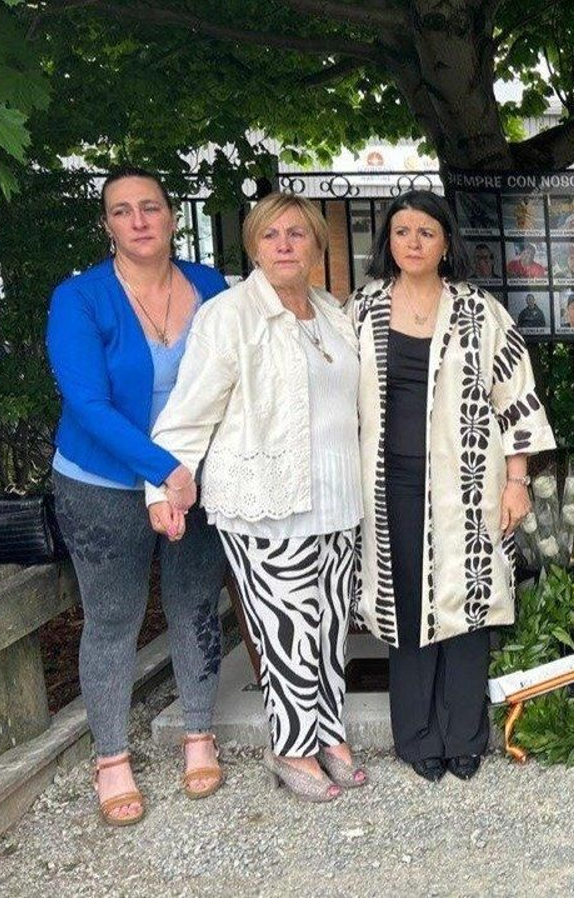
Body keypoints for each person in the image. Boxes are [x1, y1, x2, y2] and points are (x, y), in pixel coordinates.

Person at [147, 192, 365, 803]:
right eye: (271, 235)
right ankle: (291, 746)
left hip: (335, 496)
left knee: (329, 624)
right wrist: (162, 485)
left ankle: (328, 731)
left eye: (297, 233)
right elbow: (189, 410)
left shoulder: (331, 312)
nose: (284, 245)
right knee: (285, 628)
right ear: (253, 247)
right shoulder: (230, 314)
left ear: (317, 244)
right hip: (265, 498)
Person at [46, 166, 231, 827]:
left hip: (195, 479)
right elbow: (88, 404)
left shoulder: (211, 288)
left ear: (173, 216)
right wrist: (164, 471)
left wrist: (188, 475)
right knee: (114, 616)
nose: (139, 221)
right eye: (122, 211)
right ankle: (112, 758)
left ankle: (199, 732)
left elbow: (233, 381)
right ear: (107, 225)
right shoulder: (80, 298)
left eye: (150, 207)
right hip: (102, 483)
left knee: (195, 602)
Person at [351, 190, 556, 783]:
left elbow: (515, 396)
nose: (413, 242)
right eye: (402, 231)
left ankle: (465, 735)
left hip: (468, 481)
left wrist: (516, 480)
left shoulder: (478, 311)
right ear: (388, 241)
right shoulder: (361, 310)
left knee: (468, 598)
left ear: (446, 243)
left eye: (426, 232)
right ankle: (417, 735)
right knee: (404, 602)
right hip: (387, 484)